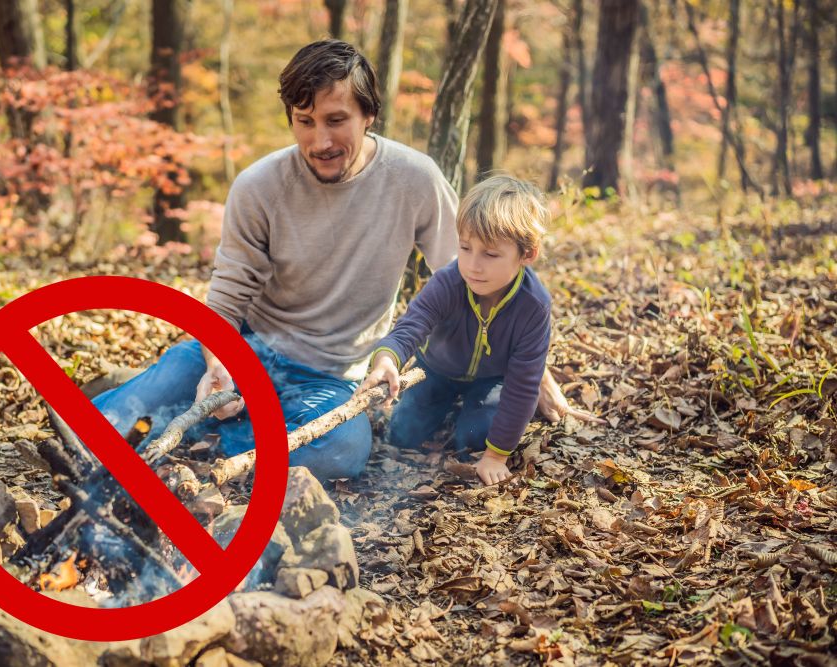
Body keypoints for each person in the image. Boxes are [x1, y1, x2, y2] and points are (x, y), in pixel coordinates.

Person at [90, 40, 592, 481]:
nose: (320, 142)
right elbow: (225, 297)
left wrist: (535, 372)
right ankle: (161, 415)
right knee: (99, 424)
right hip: (250, 350)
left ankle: (219, 442)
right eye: (304, 122)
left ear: (368, 114)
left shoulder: (414, 179)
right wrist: (218, 366)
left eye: (336, 121)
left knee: (345, 451)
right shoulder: (257, 186)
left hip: (333, 377)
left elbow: (473, 275)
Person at [355, 176, 552, 485]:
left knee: (477, 436)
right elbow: (413, 324)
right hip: (434, 370)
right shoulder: (449, 282)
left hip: (490, 378)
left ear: (527, 254)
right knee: (404, 433)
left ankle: (475, 411)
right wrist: (387, 360)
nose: (473, 265)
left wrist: (496, 456)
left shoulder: (534, 306)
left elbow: (524, 383)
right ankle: (442, 405)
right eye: (465, 248)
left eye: (490, 254)